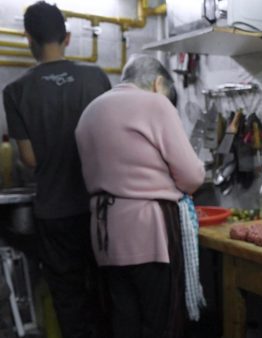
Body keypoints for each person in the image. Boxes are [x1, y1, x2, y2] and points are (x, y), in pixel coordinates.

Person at [75, 54, 205, 338]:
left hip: (104, 234)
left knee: (124, 321)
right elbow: (192, 177)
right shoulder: (155, 103)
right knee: (160, 323)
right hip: (148, 232)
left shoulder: (90, 111)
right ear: (159, 84)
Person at [2, 2, 111, 337]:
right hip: (101, 210)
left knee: (68, 298)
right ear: (67, 36)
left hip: (54, 213)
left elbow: (30, 159)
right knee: (107, 293)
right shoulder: (97, 78)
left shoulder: (16, 92)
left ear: (28, 39)